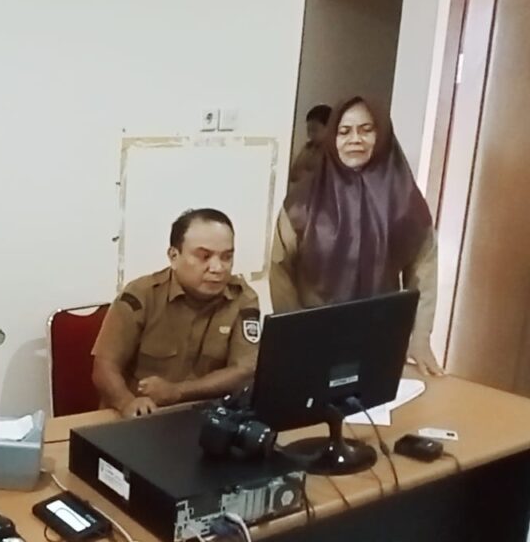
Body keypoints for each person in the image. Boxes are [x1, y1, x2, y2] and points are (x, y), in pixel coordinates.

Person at [270, 96, 444, 376]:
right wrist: (295, 333)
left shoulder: (406, 200)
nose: (355, 139)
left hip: (380, 335)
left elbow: (424, 271)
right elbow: (281, 271)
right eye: (344, 131)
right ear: (332, 138)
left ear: (382, 135)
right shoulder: (302, 202)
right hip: (316, 334)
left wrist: (420, 339)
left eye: (366, 130)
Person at [92, 209, 262, 418]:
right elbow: (105, 366)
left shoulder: (243, 299)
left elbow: (244, 371)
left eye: (227, 257)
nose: (217, 268)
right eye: (204, 256)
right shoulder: (141, 296)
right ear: (174, 256)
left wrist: (178, 391)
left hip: (210, 416)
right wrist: (127, 402)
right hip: (143, 415)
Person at [288, 104, 333, 190]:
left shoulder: (335, 152)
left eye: (314, 130)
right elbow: (293, 175)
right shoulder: (308, 148)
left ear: (330, 128)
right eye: (308, 130)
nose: (310, 135)